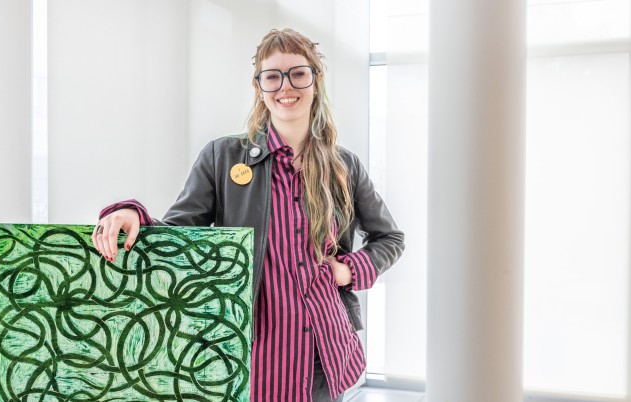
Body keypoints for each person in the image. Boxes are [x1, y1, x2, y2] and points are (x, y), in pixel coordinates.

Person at [91, 28, 404, 402]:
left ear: (316, 80)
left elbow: (390, 238)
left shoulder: (344, 166)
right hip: (249, 353)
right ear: (259, 87)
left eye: (298, 73)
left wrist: (348, 270)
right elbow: (177, 236)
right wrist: (132, 213)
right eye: (272, 76)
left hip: (322, 351)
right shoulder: (222, 158)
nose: (285, 86)